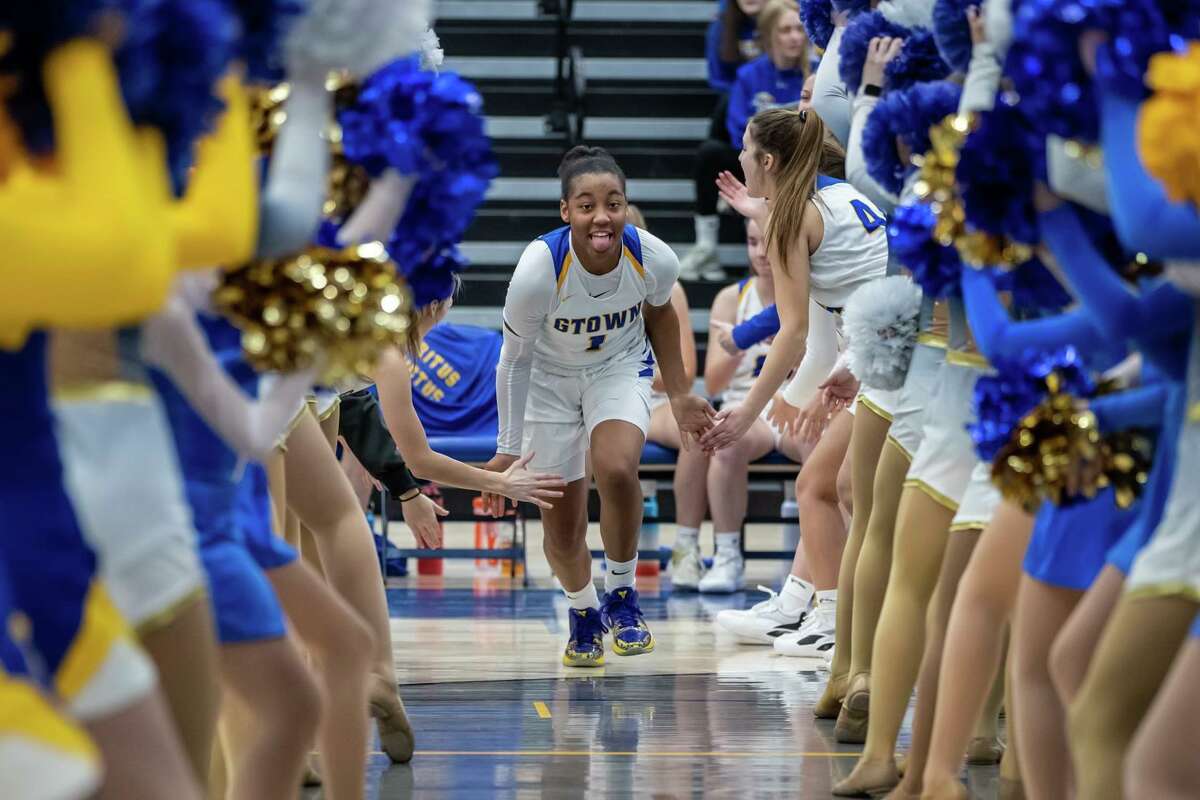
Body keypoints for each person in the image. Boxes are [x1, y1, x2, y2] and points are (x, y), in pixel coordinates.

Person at [484, 146, 715, 667]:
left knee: (615, 467)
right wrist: (506, 449)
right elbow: (512, 360)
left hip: (618, 366)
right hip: (546, 378)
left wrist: (678, 394)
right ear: (566, 212)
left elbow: (661, 318)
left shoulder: (654, 257)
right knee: (562, 526)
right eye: (586, 205)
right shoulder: (538, 271)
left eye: (613, 203)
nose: (602, 216)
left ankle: (622, 594)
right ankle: (583, 611)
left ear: (626, 207)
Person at [698, 106, 888, 661]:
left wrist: (752, 411)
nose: (737, 156)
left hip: (887, 364)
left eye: (744, 147)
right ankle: (810, 606)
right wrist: (801, 391)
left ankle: (831, 618)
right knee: (824, 484)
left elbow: (793, 329)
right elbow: (826, 327)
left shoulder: (791, 219)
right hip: (883, 355)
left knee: (822, 488)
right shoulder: (837, 196)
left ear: (768, 160)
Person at [671, 217, 813, 594]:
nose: (761, 252)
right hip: (747, 406)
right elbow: (714, 381)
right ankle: (728, 555)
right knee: (725, 442)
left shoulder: (812, 293)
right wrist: (747, 336)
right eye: (752, 242)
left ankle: (817, 560)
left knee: (825, 451)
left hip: (798, 403)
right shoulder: (732, 298)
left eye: (768, 241)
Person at [680, 0, 812, 280]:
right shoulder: (749, 75)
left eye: (799, 29)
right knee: (711, 152)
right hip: (757, 159)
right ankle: (708, 247)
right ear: (769, 36)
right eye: (786, 30)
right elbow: (739, 127)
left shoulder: (816, 73)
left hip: (800, 162)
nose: (794, 37)